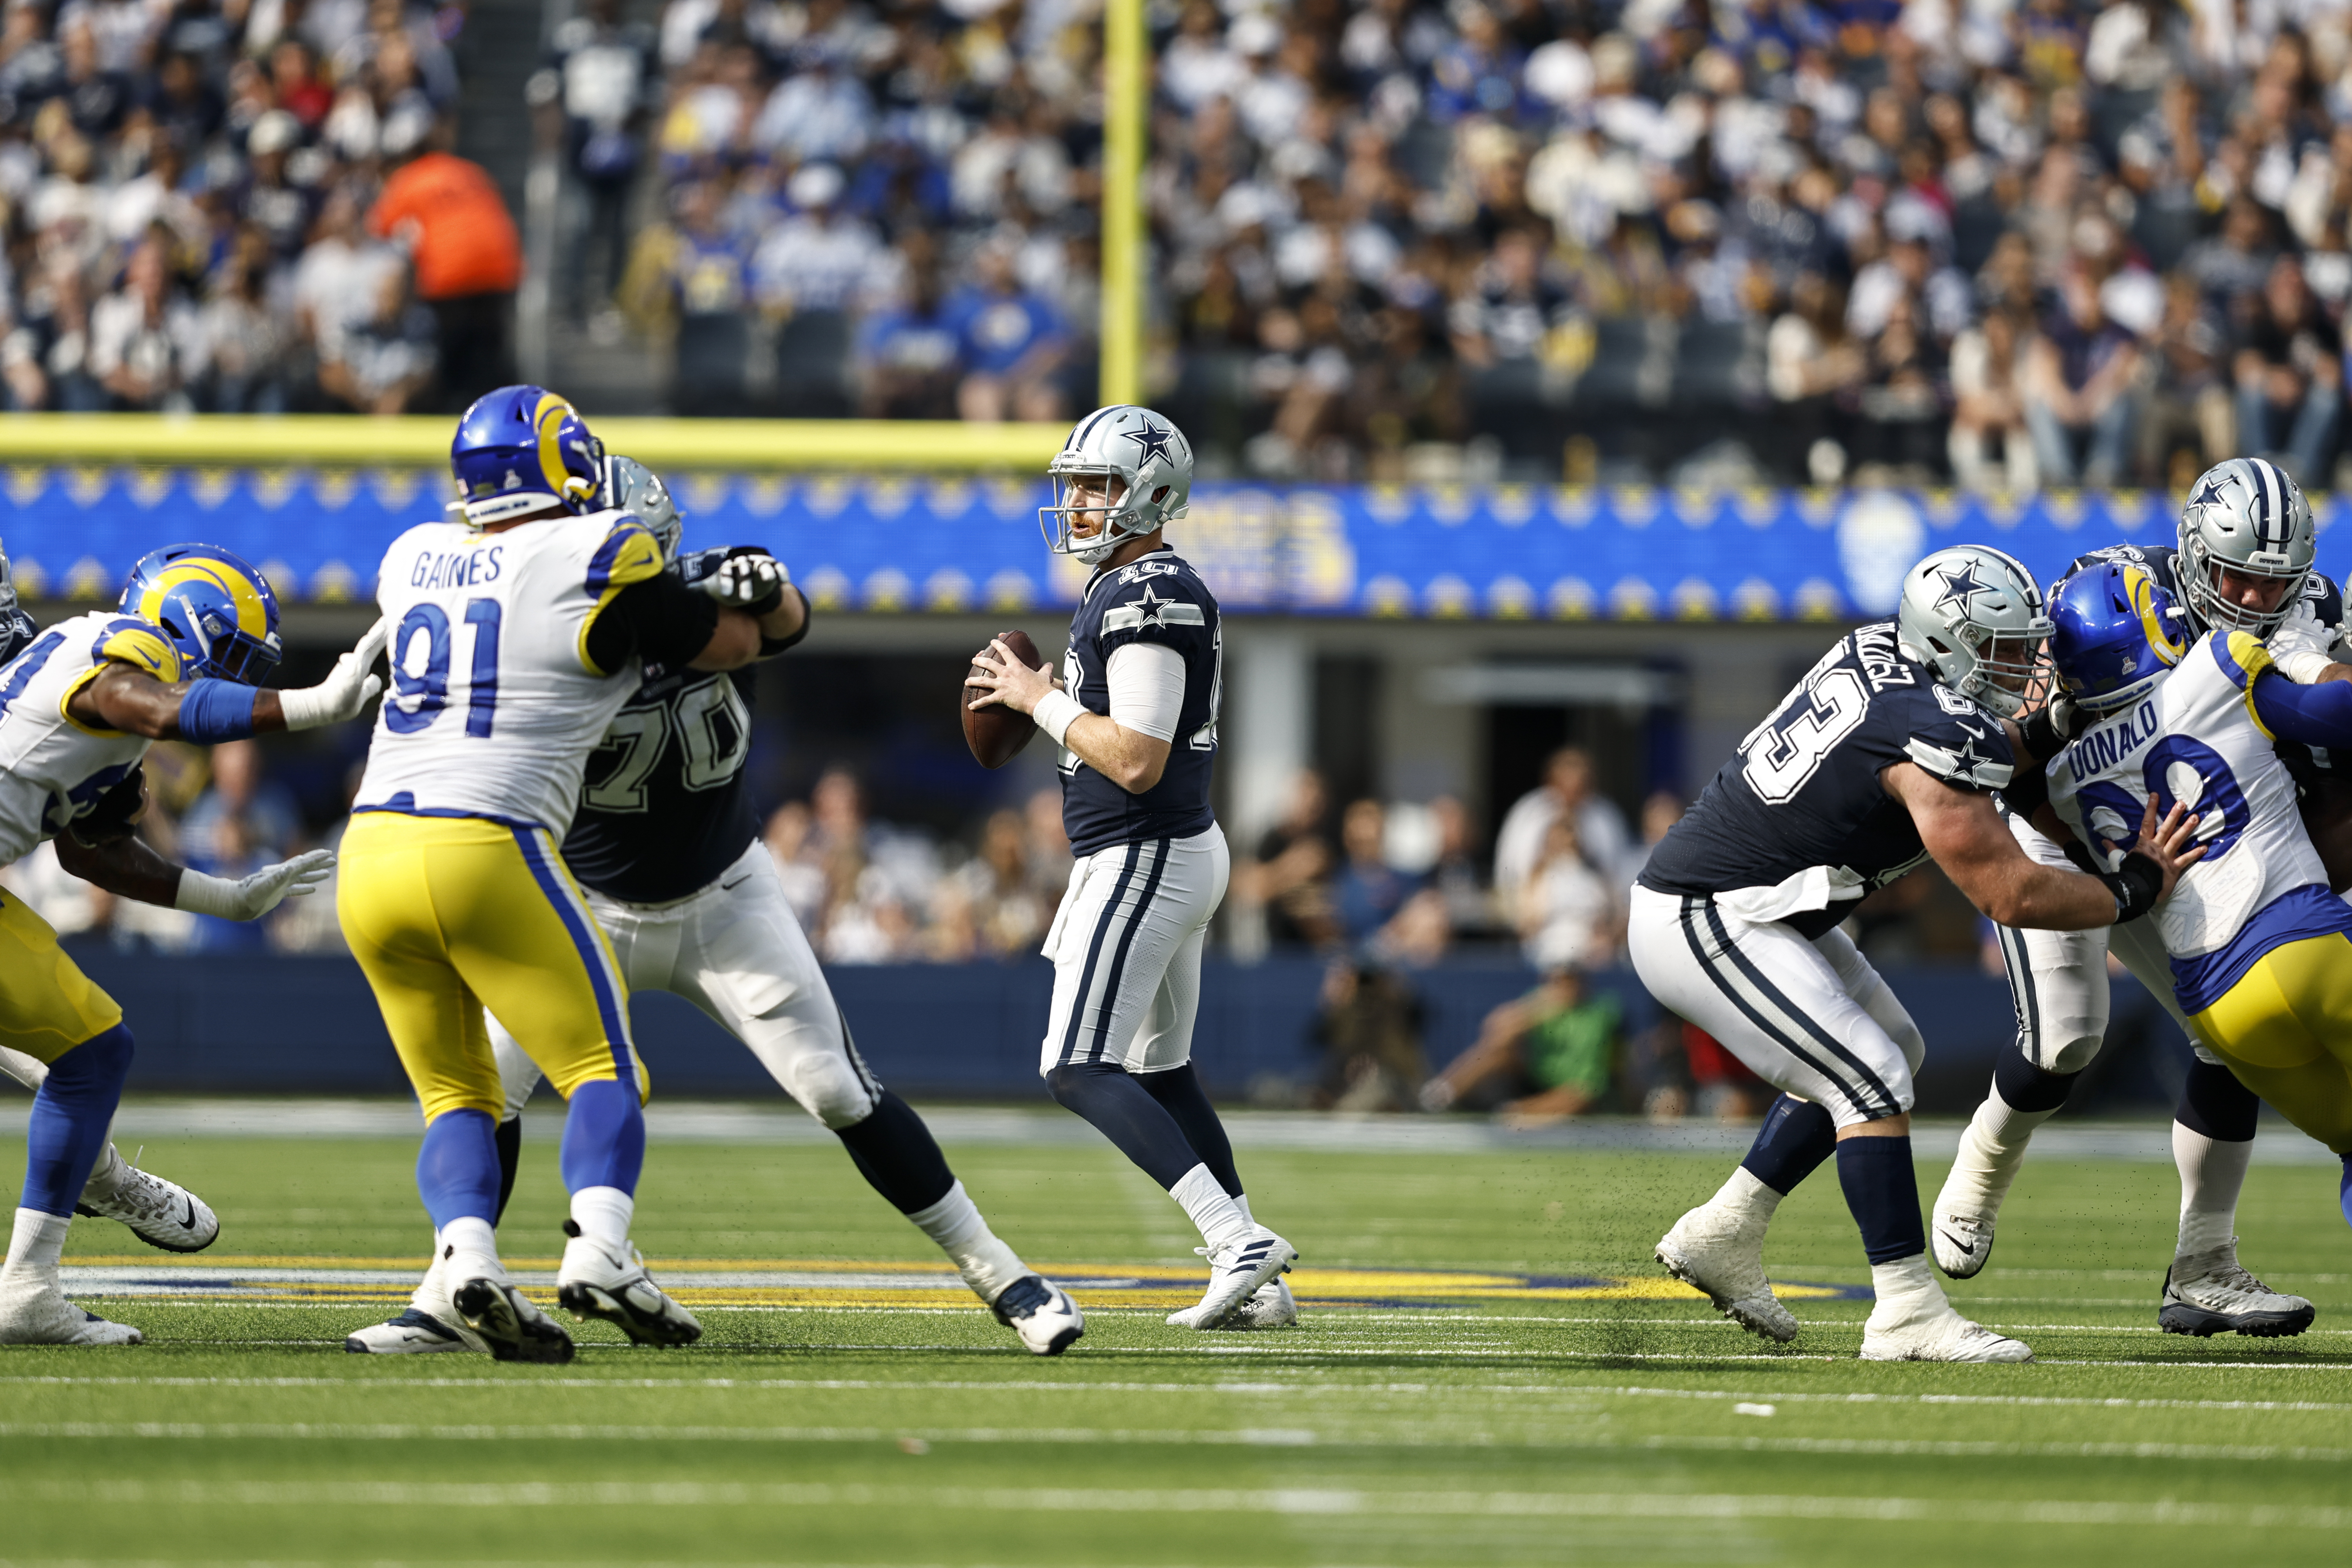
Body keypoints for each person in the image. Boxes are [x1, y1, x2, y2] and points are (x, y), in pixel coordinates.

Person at [348, 457, 1082, 1357]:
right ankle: (445, 1293)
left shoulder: (696, 611)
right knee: (490, 1086)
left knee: (837, 1087)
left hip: (726, 893)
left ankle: (1000, 1271)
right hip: (580, 899)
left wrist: (765, 586)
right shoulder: (540, 635)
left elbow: (781, 619)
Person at [1629, 543, 2204, 1363]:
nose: (2024, 665)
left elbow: (1987, 749)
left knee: (1893, 1047)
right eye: (2002, 650)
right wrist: (2134, 889)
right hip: (1710, 913)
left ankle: (1726, 1230)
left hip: (1766, 904)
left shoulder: (1889, 655)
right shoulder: (1929, 729)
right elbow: (2010, 892)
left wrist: (2054, 725)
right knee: (1869, 1075)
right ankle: (1904, 1308)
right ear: (1951, 643)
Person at [335, 387, 763, 1363]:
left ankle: (467, 1261)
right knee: (604, 1068)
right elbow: (711, 634)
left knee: (459, 1094)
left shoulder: (411, 556)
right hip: (487, 840)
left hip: (371, 851)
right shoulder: (597, 549)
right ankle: (603, 1247)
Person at [1934, 457, 2338, 1335]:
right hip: (2071, 832)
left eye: (2272, 583)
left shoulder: (2305, 613)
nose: (2250, 598)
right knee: (2068, 1035)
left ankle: (2204, 1264)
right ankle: (1982, 1162)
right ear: (2194, 553)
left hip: (2191, 834)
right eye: (2233, 574)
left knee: (2230, 1036)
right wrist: (2120, 872)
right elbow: (2024, 766)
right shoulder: (2106, 602)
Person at [967, 403, 1298, 1332]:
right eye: (1072, 485)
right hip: (1163, 850)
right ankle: (1259, 1284)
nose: (1077, 504)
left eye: (1099, 485)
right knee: (1161, 1071)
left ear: (1152, 492)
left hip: (1147, 850)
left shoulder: (1147, 590)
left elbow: (1140, 757)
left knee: (1076, 1065)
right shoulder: (1128, 585)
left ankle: (1236, 1240)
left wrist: (1039, 700)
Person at [0, 544, 382, 1343]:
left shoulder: (91, 695)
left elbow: (89, 848)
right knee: (84, 1059)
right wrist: (310, 705)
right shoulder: (119, 650)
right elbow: (157, 706)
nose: (237, 681)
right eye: (237, 659)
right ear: (189, 621)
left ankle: (71, 1218)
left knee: (87, 1054)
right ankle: (50, 1255)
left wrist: (226, 894)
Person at [2042, 562, 2352, 1257]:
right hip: (2303, 943)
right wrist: (2302, 658)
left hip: (2222, 1016)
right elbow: (2338, 715)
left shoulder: (2067, 779)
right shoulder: (2216, 666)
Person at [366, 129, 523, 411]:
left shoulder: (409, 179)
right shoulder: (470, 171)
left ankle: (453, 422)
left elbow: (379, 229)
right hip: (500, 270)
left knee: (450, 359)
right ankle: (508, 420)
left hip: (451, 275)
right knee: (490, 357)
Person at [1421, 967, 1620, 1123]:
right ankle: (1441, 1097)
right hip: (1534, 1079)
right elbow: (1493, 1033)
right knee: (1498, 1053)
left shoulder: (1600, 1011)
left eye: (1569, 981)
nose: (1562, 988)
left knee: (1580, 1094)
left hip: (1575, 1089)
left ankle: (1516, 1115)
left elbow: (1591, 1084)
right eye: (1557, 981)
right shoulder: (1539, 1003)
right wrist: (1529, 1013)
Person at [1493, 746, 1633, 915]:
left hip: (1593, 916)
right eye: (1566, 783)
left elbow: (1618, 875)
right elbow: (1510, 869)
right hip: (1536, 915)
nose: (1572, 792)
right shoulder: (1528, 813)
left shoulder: (1606, 816)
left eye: (1580, 785)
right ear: (1551, 781)